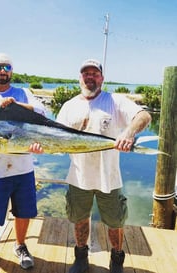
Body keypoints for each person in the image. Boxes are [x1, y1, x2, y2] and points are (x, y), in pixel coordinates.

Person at [56, 59, 151, 273]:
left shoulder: (115, 101)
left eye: (95, 73)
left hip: (110, 177)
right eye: (85, 73)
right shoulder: (69, 106)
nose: (90, 77)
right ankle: (81, 257)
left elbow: (144, 115)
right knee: (79, 219)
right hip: (78, 177)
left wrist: (128, 132)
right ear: (79, 78)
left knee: (115, 222)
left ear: (102, 78)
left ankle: (116, 259)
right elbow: (57, 138)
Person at [0, 53, 45, 273]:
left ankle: (20, 246)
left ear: (12, 71)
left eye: (7, 67)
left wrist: (16, 105)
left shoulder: (24, 93)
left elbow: (42, 111)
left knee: (24, 212)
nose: (3, 70)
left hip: (23, 168)